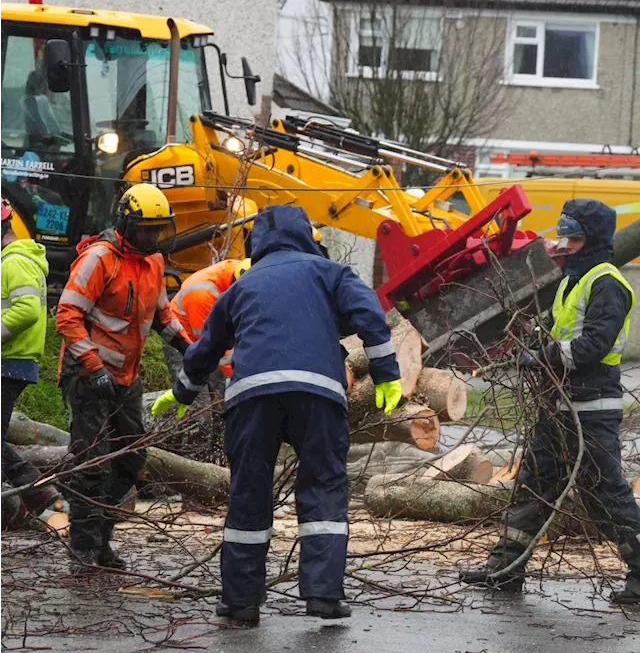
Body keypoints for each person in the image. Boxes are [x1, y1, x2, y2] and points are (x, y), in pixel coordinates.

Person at [152, 204, 401, 625]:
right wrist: (387, 375)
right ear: (308, 236)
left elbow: (206, 346)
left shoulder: (243, 284)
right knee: (322, 488)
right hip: (318, 394)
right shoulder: (330, 274)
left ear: (255, 244)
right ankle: (323, 595)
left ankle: (241, 601)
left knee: (248, 493)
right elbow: (370, 317)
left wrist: (182, 392)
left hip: (252, 396)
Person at [458, 199, 640, 604]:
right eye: (564, 236)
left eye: (572, 238)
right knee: (533, 485)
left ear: (592, 240)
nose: (564, 244)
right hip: (557, 406)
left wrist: (543, 357)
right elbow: (559, 333)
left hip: (590, 408)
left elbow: (592, 345)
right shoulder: (572, 281)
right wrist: (530, 342)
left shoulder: (607, 283)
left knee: (605, 491)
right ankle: (505, 568)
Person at [56, 183, 191, 572]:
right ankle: (82, 549)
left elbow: (163, 316)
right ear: (125, 224)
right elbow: (67, 315)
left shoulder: (154, 263)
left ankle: (101, 539)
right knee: (92, 462)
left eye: (157, 229)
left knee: (132, 459)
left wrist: (188, 347)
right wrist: (93, 366)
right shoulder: (100, 259)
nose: (151, 236)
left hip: (127, 376)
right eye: (145, 229)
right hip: (88, 374)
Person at [0, 197, 62, 521]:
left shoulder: (14, 262)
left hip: (11, 360)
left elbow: (24, 311)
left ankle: (38, 492)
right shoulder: (14, 259)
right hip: (12, 359)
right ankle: (36, 494)